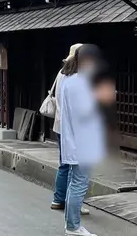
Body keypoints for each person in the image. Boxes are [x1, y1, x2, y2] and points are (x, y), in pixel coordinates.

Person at [58, 44, 107, 236]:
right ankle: (73, 226)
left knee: (73, 182)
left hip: (71, 137)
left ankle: (70, 224)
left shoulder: (67, 79)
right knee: (79, 183)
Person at [50, 44, 91, 215]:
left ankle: (58, 199)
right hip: (73, 128)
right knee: (76, 170)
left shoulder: (62, 74)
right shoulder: (76, 77)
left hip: (60, 124)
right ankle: (72, 205)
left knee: (64, 165)